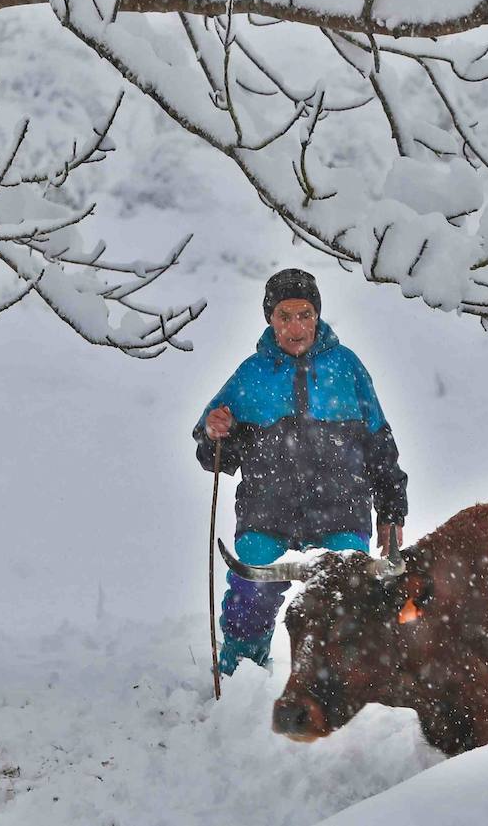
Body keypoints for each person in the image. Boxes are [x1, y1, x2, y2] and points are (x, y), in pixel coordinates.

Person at [194, 268, 408, 676]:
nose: (296, 327)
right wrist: (216, 432)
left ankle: (338, 681)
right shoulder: (250, 376)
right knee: (251, 595)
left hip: (341, 514)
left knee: (346, 602)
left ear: (318, 315)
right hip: (266, 516)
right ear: (270, 319)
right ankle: (242, 672)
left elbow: (380, 446)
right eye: (285, 316)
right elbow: (216, 458)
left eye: (305, 314)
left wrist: (392, 513)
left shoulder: (347, 368)